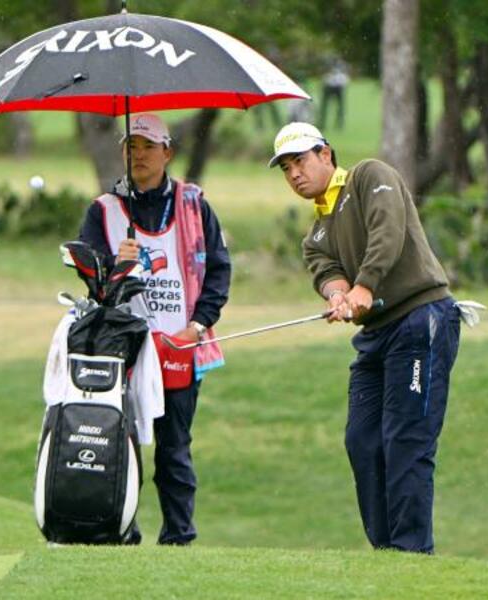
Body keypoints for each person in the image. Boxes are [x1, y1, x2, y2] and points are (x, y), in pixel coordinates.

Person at [268, 122, 461, 554]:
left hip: (420, 318)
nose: (294, 173)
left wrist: (365, 285)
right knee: (362, 440)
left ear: (325, 154)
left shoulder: (369, 177)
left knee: (405, 440)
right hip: (376, 334)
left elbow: (387, 231)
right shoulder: (315, 235)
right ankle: (386, 552)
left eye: (300, 161)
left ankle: (411, 552)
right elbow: (328, 274)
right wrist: (339, 296)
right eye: (286, 168)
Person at [79, 113, 231, 545]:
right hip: (121, 348)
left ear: (168, 152)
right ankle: (121, 530)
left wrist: (197, 326)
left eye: (148, 146)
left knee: (174, 448)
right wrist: (115, 265)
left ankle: (179, 536)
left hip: (180, 345)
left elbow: (218, 270)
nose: (139, 155)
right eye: (131, 146)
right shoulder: (104, 210)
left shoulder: (193, 204)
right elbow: (91, 281)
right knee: (119, 445)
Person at [319, 58, 350, 130]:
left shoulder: (342, 66)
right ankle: (322, 123)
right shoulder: (327, 65)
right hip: (328, 86)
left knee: (340, 107)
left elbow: (345, 77)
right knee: (324, 107)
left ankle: (339, 124)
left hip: (338, 87)